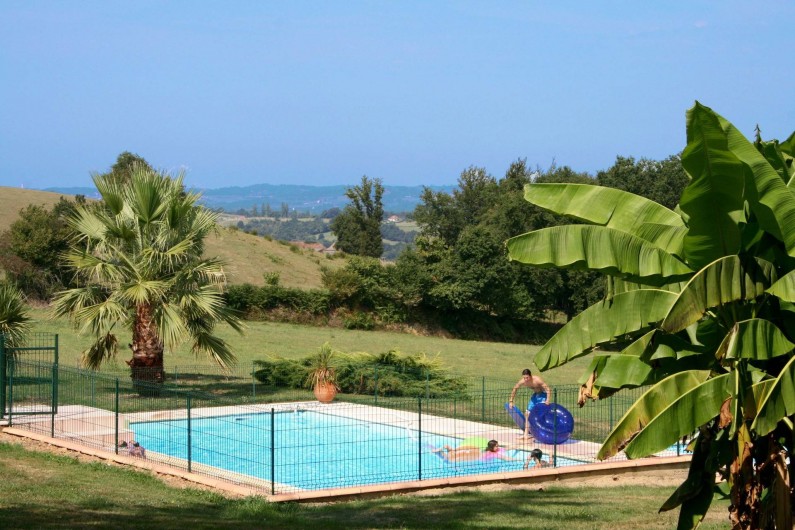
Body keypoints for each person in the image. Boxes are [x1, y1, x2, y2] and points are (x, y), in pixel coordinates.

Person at [509, 368, 552, 440]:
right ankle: (526, 434)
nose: (525, 379)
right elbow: (515, 388)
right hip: (535, 396)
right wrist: (511, 401)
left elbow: (548, 389)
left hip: (543, 396)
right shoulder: (523, 381)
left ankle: (542, 432)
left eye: (527, 377)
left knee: (539, 414)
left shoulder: (537, 380)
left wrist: (547, 400)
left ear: (530, 376)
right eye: (524, 378)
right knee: (527, 413)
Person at [431, 440, 521, 464]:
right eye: (496, 446)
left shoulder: (497, 450)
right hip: (475, 457)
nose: (498, 447)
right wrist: (516, 460)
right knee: (451, 460)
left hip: (477, 454)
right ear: (491, 447)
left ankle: (447, 449)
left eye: (498, 445)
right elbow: (505, 458)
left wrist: (518, 445)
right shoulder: (495, 453)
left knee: (453, 456)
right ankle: (441, 452)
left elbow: (508, 448)